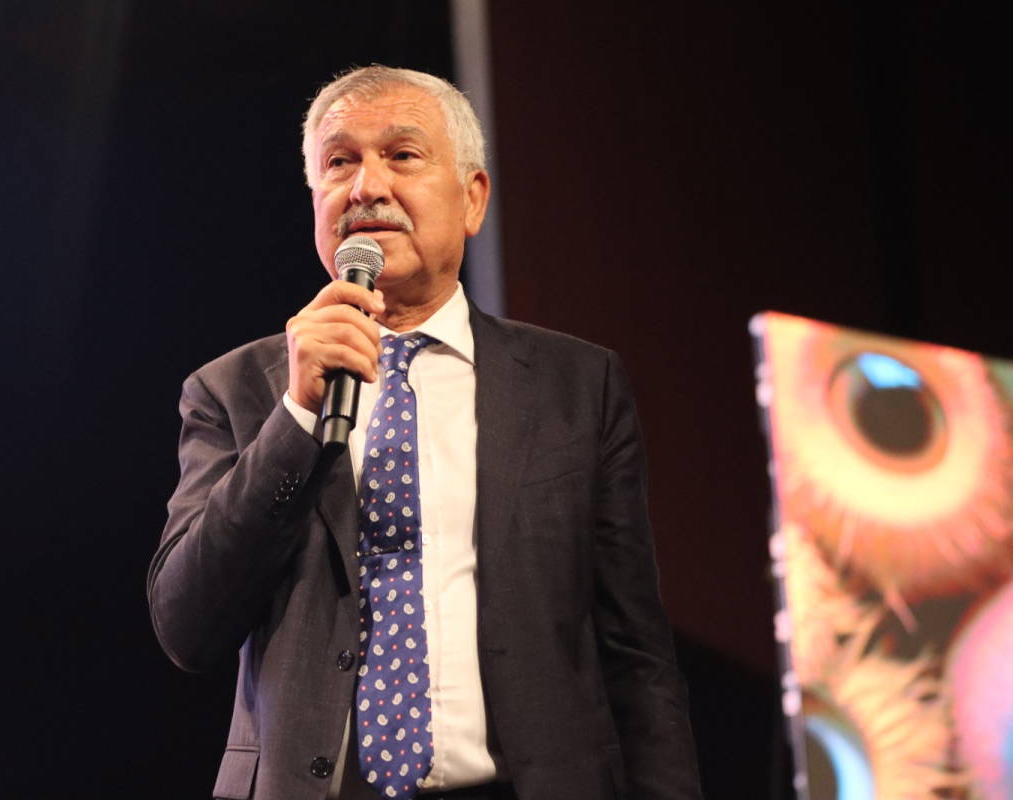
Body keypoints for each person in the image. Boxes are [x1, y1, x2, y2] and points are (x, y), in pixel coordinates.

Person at [148, 65, 702, 800]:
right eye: (339, 162)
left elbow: (636, 649)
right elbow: (188, 626)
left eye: (402, 155)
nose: (365, 187)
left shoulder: (577, 385)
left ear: (472, 198)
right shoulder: (235, 390)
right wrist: (297, 415)